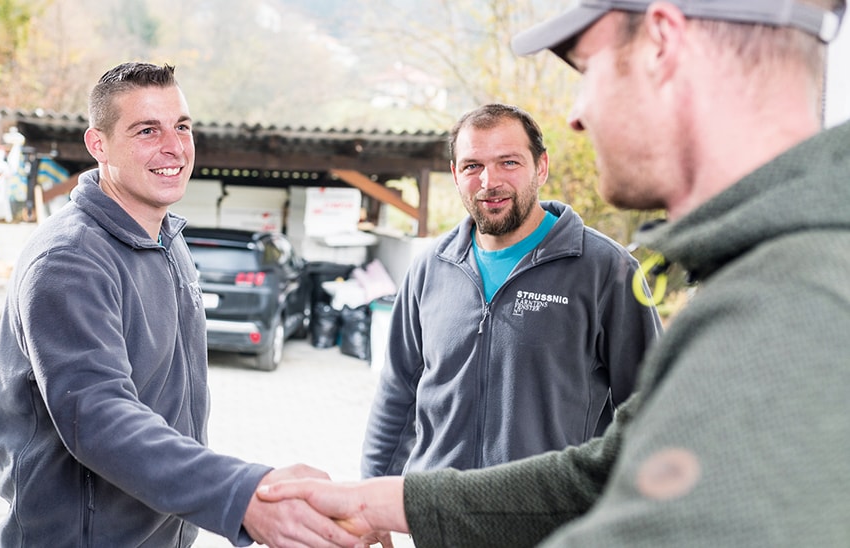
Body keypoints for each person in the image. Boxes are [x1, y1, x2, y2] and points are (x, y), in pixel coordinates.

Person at [259, 0, 850, 546]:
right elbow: (597, 473)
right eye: (472, 166)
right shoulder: (761, 280)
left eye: (589, 69)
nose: (577, 113)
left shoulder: (795, 307)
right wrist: (382, 501)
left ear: (663, 42)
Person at [0, 62, 360, 548]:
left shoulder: (168, 240)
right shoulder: (70, 260)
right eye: (147, 130)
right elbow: (99, 418)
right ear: (98, 145)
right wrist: (242, 496)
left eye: (182, 127)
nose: (174, 147)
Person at [362, 104, 661, 478]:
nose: (490, 182)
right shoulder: (429, 268)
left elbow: (653, 407)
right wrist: (372, 490)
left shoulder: (605, 269)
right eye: (473, 166)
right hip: (437, 517)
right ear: (455, 174)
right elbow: (397, 394)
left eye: (509, 162)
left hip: (550, 521)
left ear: (541, 167)